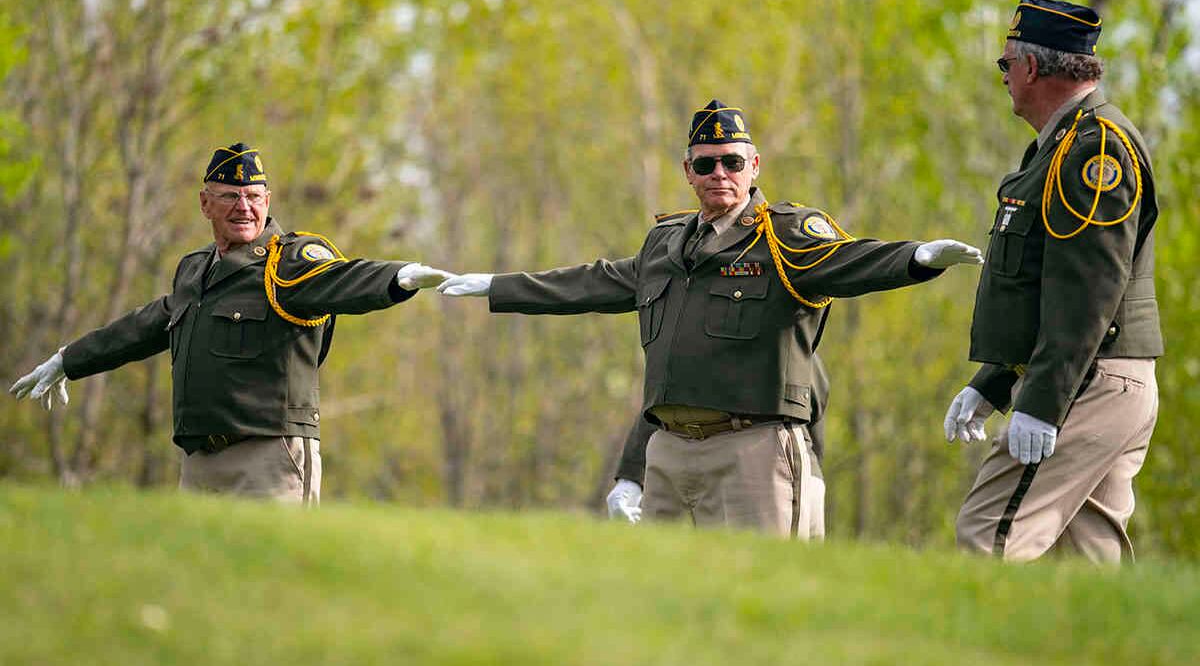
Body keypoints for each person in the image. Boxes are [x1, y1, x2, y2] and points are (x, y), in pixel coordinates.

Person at [439, 100, 982, 537]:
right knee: (667, 604)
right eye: (706, 164)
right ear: (688, 171)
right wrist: (496, 285)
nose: (719, 173)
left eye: (732, 162)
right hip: (670, 452)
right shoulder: (665, 245)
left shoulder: (785, 236)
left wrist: (917, 258)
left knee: (767, 595)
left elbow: (850, 260)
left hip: (754, 450)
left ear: (754, 166)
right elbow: (590, 284)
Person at [10, 143, 454, 503]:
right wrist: (70, 360)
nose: (244, 207)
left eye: (254, 197)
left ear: (267, 202)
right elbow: (145, 326)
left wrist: (400, 277)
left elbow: (342, 278)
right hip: (199, 462)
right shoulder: (195, 269)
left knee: (273, 580)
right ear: (205, 203)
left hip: (269, 459)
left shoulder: (289, 262)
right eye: (229, 196)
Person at [944, 0, 1161, 562]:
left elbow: (1089, 293)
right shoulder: (1062, 143)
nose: (1004, 77)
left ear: (1032, 67)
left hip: (1090, 375)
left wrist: (1041, 402)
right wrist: (995, 382)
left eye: (1006, 64)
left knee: (988, 535)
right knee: (1086, 560)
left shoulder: (1094, 148)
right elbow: (1046, 292)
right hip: (1098, 375)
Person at [607, 353, 831, 540]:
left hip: (773, 464)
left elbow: (809, 385)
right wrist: (631, 475)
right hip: (690, 459)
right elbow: (668, 397)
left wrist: (813, 473)